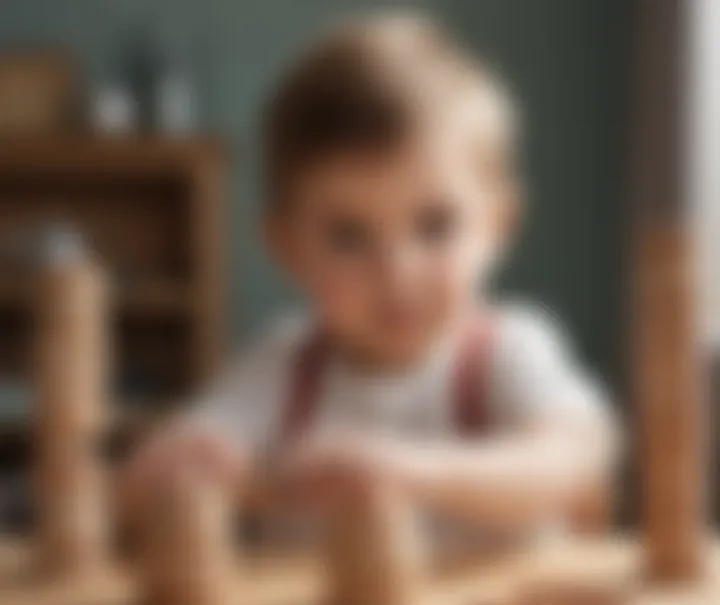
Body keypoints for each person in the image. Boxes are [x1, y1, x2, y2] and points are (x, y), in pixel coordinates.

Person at [123, 13, 619, 561]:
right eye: (349, 237)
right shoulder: (284, 368)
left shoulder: (506, 350)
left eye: (434, 226)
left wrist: (407, 471)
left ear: (497, 224)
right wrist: (186, 464)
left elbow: (576, 459)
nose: (396, 271)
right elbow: (149, 478)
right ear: (287, 247)